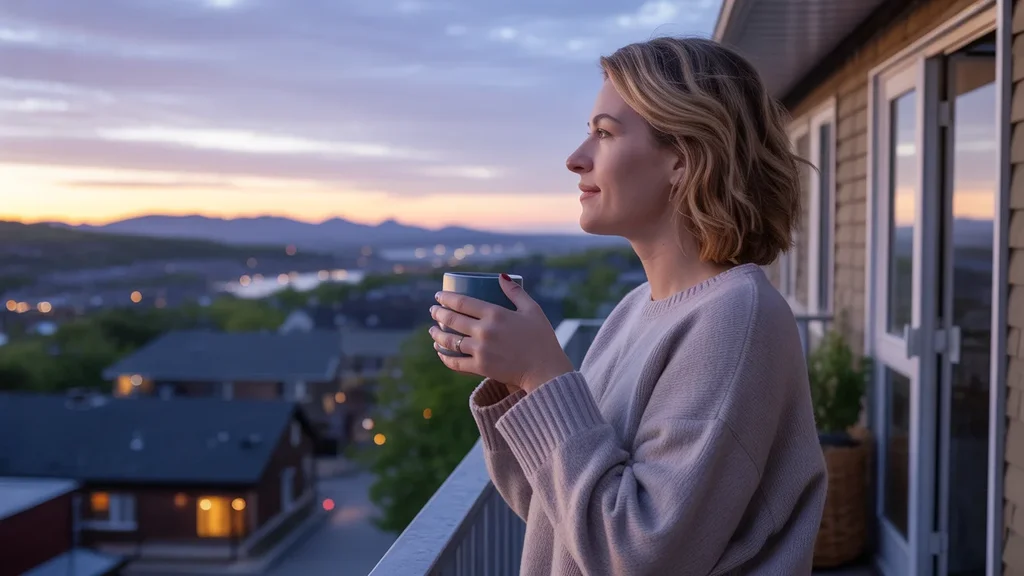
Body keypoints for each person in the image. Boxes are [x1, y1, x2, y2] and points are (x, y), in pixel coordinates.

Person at [427, 36, 827, 576]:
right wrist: (513, 383)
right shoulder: (636, 309)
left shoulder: (736, 319)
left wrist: (541, 374)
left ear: (684, 158)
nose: (575, 159)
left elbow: (638, 555)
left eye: (605, 133)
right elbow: (557, 514)